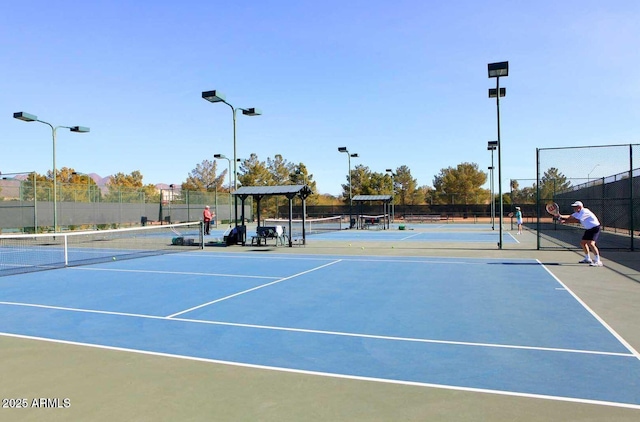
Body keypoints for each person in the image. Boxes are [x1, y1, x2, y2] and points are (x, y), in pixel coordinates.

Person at [558, 201, 603, 267]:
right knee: (583, 243)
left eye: (575, 207)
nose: (574, 208)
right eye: (573, 207)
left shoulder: (584, 211)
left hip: (595, 228)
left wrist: (564, 221)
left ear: (579, 207)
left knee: (591, 243)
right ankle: (587, 258)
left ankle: (598, 261)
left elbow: (576, 220)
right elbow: (571, 217)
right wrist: (561, 216)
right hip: (589, 229)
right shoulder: (578, 212)